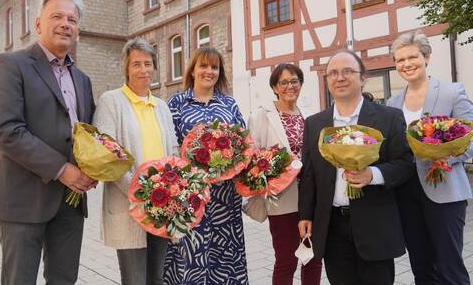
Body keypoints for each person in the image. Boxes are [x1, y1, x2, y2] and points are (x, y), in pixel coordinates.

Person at [0, 0, 96, 285]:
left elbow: (88, 134)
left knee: (64, 280)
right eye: (57, 16)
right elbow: (5, 130)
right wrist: (63, 170)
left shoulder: (83, 80)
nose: (65, 24)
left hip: (70, 202)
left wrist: (98, 165)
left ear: (77, 29)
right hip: (24, 200)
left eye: (72, 20)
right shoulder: (9, 65)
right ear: (39, 24)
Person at [298, 50, 416, 285]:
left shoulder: (389, 118)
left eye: (347, 71)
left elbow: (405, 165)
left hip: (375, 223)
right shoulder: (314, 124)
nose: (339, 77)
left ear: (363, 78)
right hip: (332, 226)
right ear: (327, 80)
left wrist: (373, 174)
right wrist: (305, 215)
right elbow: (309, 175)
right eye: (333, 73)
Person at [387, 31, 472, 285]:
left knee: (449, 267)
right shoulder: (392, 103)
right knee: (421, 267)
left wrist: (447, 157)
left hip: (444, 189)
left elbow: (470, 139)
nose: (406, 64)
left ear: (426, 57)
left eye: (412, 57)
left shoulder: (451, 92)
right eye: (400, 60)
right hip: (406, 192)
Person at [93, 38, 178, 285]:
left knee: (157, 278)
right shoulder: (112, 101)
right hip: (130, 204)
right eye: (136, 64)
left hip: (162, 204)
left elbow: (172, 150)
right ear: (126, 68)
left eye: (148, 64)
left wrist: (173, 190)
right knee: (134, 280)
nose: (143, 70)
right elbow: (107, 155)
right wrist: (140, 192)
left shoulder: (161, 106)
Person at [163, 47, 248, 284]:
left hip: (225, 197)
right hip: (192, 194)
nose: (208, 71)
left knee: (225, 256)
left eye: (214, 67)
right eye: (203, 66)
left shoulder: (228, 103)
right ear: (193, 70)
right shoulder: (178, 103)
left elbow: (243, 143)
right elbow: (170, 145)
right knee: (192, 255)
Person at [247, 63, 322, 285]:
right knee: (286, 260)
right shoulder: (262, 116)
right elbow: (252, 159)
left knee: (313, 258)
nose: (290, 86)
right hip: (281, 199)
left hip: (311, 197)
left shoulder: (309, 114)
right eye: (283, 82)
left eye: (294, 81)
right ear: (274, 87)